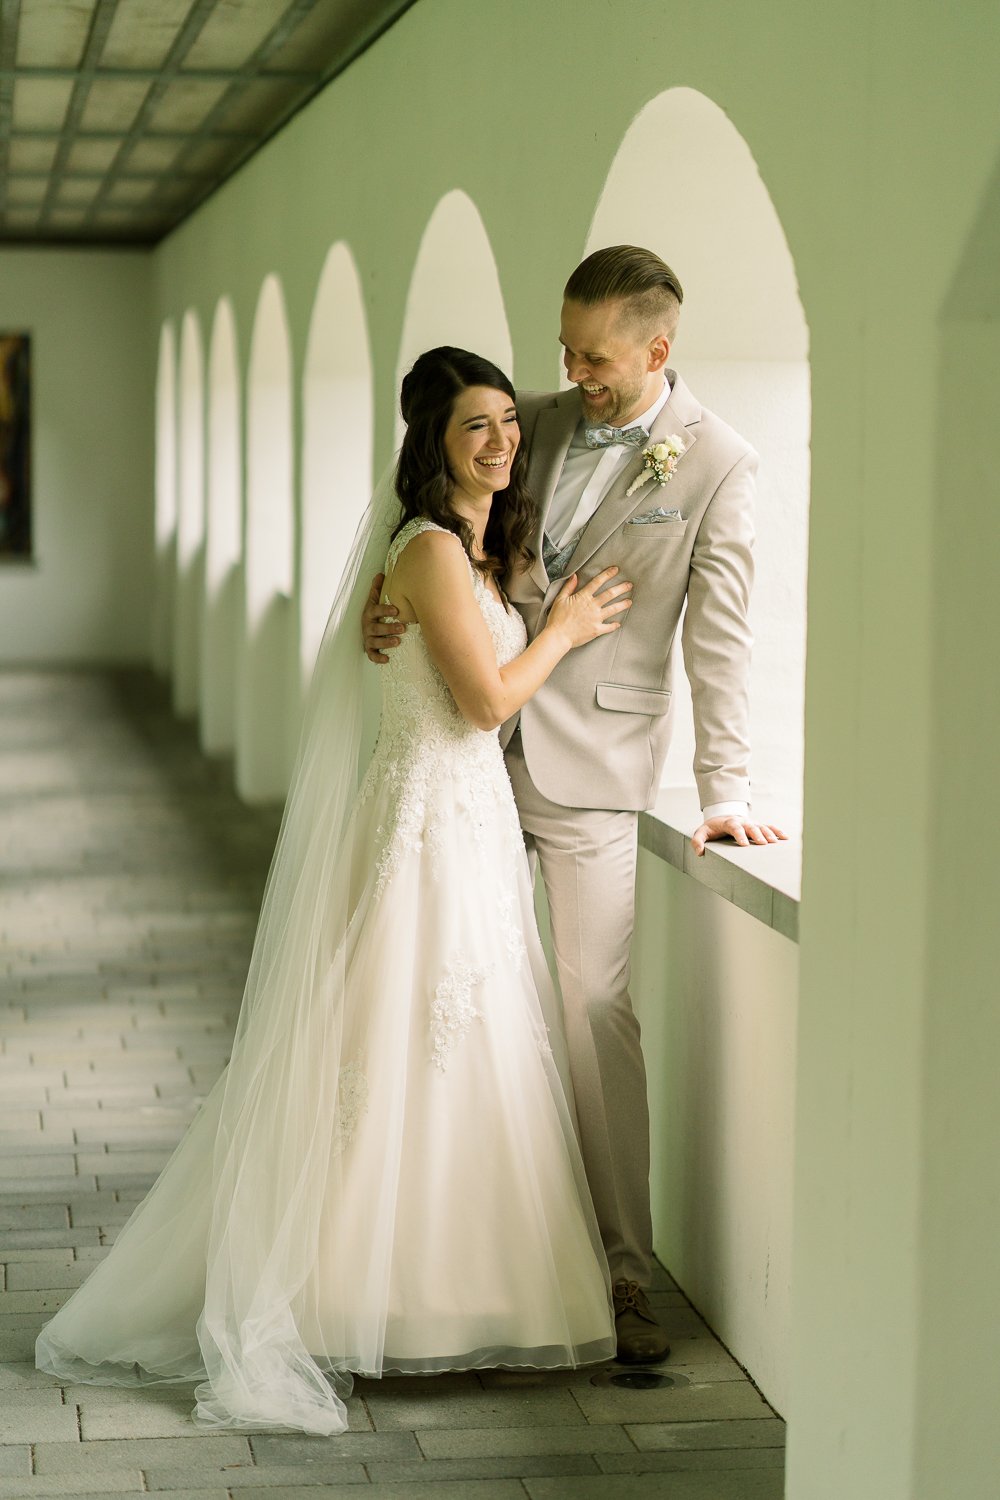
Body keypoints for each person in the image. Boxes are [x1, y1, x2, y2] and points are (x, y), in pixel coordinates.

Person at [35, 347, 635, 1436]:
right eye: (473, 428)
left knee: (462, 1047)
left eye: (507, 420)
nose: (499, 441)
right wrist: (564, 631)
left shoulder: (465, 548)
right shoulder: (432, 554)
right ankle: (360, 1297)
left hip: (465, 827)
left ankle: (455, 1293)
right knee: (399, 1048)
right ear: (430, 443)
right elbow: (485, 703)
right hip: (426, 828)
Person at [364, 246, 787, 1365]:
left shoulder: (720, 466)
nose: (571, 372)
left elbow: (724, 642)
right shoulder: (526, 422)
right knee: (437, 993)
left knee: (591, 1013)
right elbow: (438, 532)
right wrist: (380, 601)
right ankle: (439, 1256)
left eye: (593, 357)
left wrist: (727, 787)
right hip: (464, 758)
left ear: (658, 350)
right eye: (564, 348)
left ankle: (622, 1274)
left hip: (596, 778)